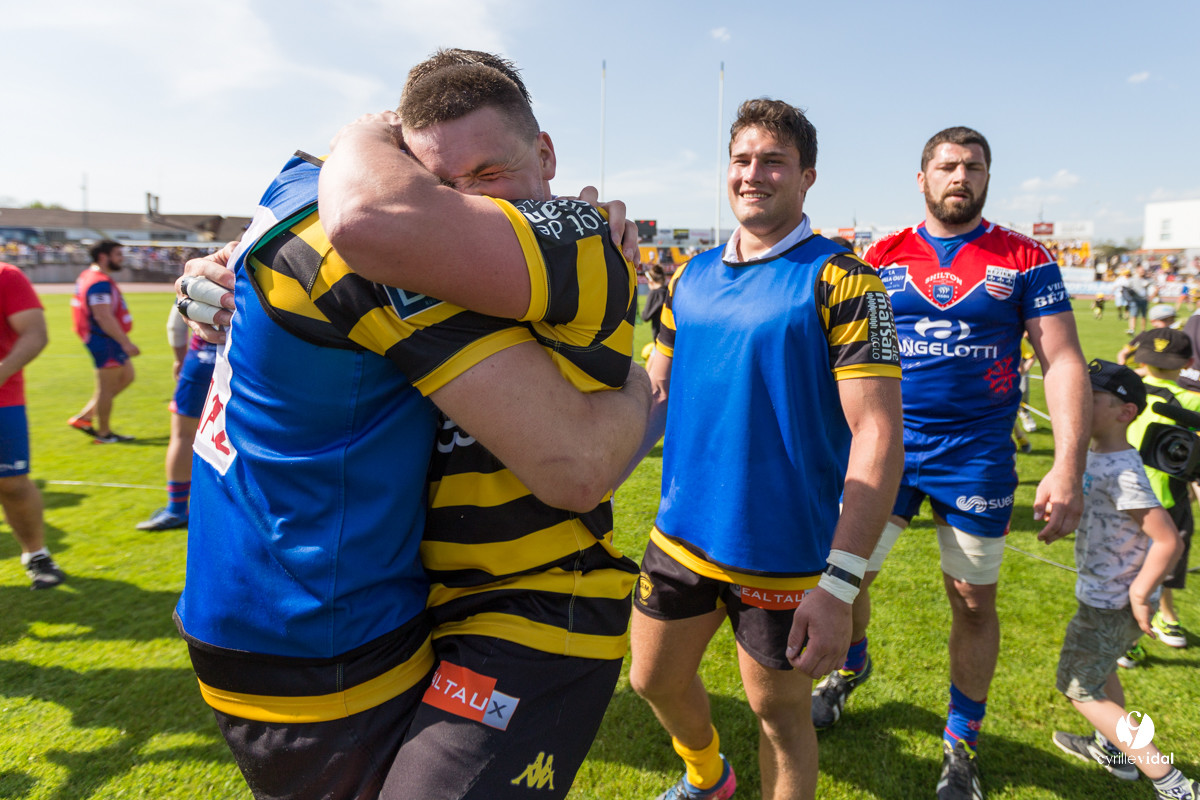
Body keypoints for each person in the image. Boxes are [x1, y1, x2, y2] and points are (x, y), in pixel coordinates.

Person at [174, 52, 649, 800]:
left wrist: (641, 383)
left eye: (490, 175)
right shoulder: (415, 253)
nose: (467, 202)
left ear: (547, 153)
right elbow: (339, 243)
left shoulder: (574, 238)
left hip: (535, 604)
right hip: (428, 604)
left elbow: (583, 465)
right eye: (443, 185)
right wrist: (225, 270)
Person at [625, 98, 904, 800]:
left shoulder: (845, 279)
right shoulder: (689, 277)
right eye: (742, 160)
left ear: (807, 176)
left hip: (782, 554)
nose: (754, 174)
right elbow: (652, 396)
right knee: (650, 679)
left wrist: (839, 586)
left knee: (777, 714)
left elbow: (878, 433)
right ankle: (708, 777)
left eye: (773, 161)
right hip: (681, 534)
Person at [812, 126, 1090, 800]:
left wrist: (1066, 467)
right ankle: (850, 667)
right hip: (886, 449)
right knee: (846, 581)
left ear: (988, 177)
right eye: (946, 166)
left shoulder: (1025, 257)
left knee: (971, 602)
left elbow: (1062, 360)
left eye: (973, 166)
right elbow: (834, 352)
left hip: (976, 458)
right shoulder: (881, 253)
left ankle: (961, 745)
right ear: (922, 179)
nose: (959, 176)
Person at [1051, 359, 1199, 800]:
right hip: (1104, 596)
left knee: (1080, 689)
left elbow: (1167, 539)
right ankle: (1114, 753)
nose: (1076, 404)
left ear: (1125, 412)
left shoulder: (1122, 470)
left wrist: (1139, 593)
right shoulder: (1101, 458)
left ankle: (1173, 784)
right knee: (1101, 678)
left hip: (1111, 602)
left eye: (1089, 399)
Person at [1122, 328, 1198, 660]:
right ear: (1190, 363)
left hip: (1123, 501)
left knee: (1132, 571)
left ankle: (1161, 621)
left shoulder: (1122, 396)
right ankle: (1134, 636)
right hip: (1167, 503)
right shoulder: (1189, 400)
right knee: (1162, 568)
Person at [0, 263, 62, 590]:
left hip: (2, 399)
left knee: (11, 484)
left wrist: (2, 370)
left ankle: (36, 554)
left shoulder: (5, 276)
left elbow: (35, 334)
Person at [136, 305, 218, 530]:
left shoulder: (198, 271)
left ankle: (176, 508)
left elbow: (175, 324)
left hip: (199, 361)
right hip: (245, 363)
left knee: (183, 436)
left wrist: (179, 359)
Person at [67, 239, 139, 444]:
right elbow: (103, 316)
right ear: (103, 257)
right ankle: (104, 433)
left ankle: (85, 417)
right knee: (105, 389)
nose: (121, 258)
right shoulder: (98, 282)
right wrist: (125, 342)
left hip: (106, 339)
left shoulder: (92, 276)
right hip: (104, 340)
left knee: (127, 376)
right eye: (117, 254)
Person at [641, 263, 667, 345]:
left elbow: (645, 316)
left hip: (659, 338)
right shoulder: (669, 292)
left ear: (651, 281)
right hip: (672, 336)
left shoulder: (654, 293)